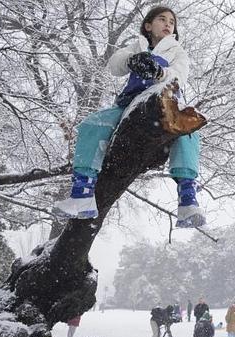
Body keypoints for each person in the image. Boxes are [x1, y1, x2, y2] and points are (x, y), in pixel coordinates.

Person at [52, 6, 205, 228]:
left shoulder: (177, 51)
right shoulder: (137, 46)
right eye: (162, 19)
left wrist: (160, 73)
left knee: (188, 134)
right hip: (129, 103)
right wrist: (132, 60)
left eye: (171, 22)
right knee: (93, 124)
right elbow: (114, 65)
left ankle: (188, 198)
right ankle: (82, 194)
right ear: (148, 26)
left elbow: (180, 75)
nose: (168, 24)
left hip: (164, 102)